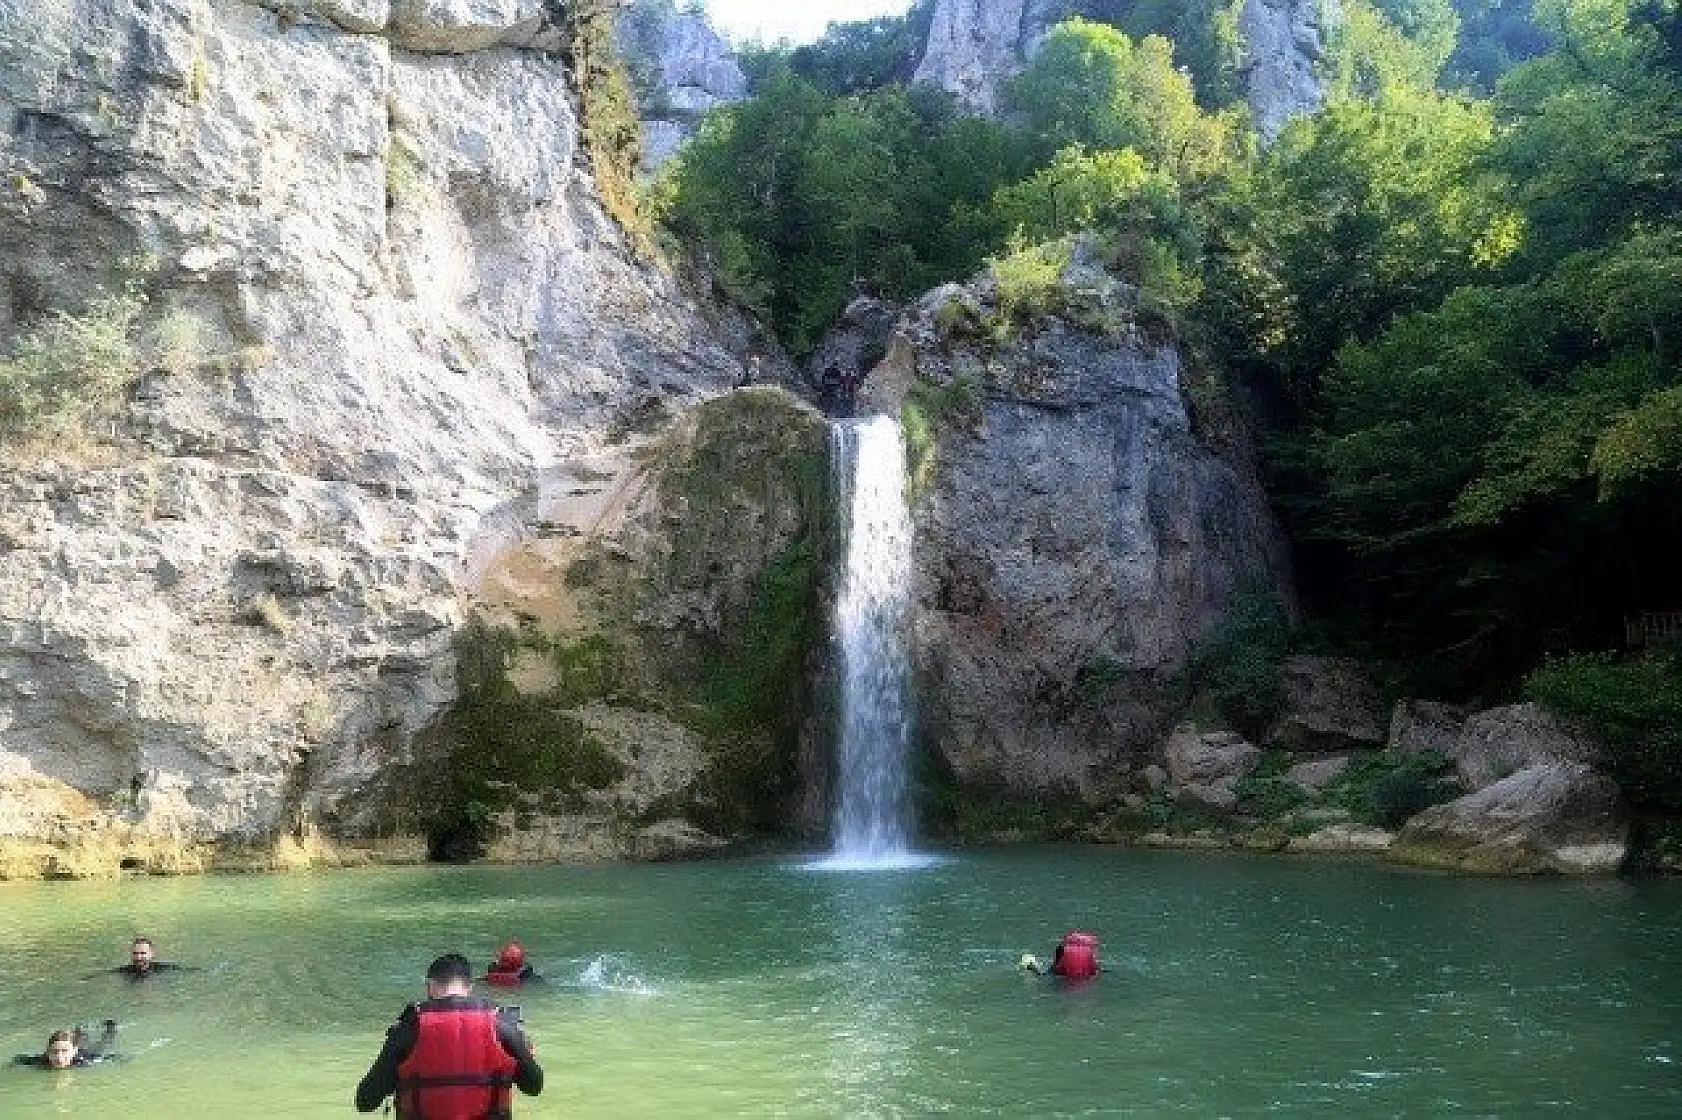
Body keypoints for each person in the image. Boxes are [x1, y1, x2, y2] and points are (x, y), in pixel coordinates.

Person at [355, 952, 543, 1116]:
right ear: (469, 987)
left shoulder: (407, 1030)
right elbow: (534, 1087)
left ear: (430, 986)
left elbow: (365, 1102)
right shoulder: (503, 1026)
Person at [12, 1020, 120, 1069]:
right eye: (54, 1051)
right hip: (75, 1046)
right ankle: (80, 1029)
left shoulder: (85, 1061)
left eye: (64, 1051)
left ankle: (111, 1027)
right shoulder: (41, 1062)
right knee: (81, 1036)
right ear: (47, 1051)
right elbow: (18, 1059)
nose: (59, 1057)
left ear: (73, 1051)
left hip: (85, 1052)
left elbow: (116, 1058)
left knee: (104, 1043)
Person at [1021, 931, 1101, 980]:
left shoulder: (1062, 948)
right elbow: (1095, 970)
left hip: (1062, 977)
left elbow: (1055, 965)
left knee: (1043, 974)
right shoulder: (1089, 952)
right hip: (1085, 981)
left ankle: (1030, 965)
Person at [113, 937, 188, 978]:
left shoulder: (164, 970)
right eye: (135, 953)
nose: (138, 957)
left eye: (143, 953)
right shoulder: (123, 972)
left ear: (151, 954)